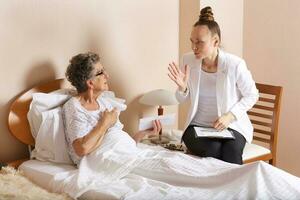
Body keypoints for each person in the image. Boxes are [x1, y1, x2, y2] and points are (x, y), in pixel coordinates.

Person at [167, 6, 259, 164]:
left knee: (231, 152)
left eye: (200, 42)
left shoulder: (234, 64)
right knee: (213, 150)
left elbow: (252, 95)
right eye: (192, 41)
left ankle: (234, 188)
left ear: (216, 41)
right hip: (197, 125)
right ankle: (212, 188)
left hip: (231, 126)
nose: (194, 47)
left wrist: (229, 116)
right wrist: (182, 88)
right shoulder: (188, 60)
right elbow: (181, 99)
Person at [62, 52, 161, 165]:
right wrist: (104, 123)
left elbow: (118, 142)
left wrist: (143, 133)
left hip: (125, 154)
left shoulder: (105, 104)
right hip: (104, 162)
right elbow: (81, 149)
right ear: (90, 83)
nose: (107, 76)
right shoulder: (74, 107)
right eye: (101, 73)